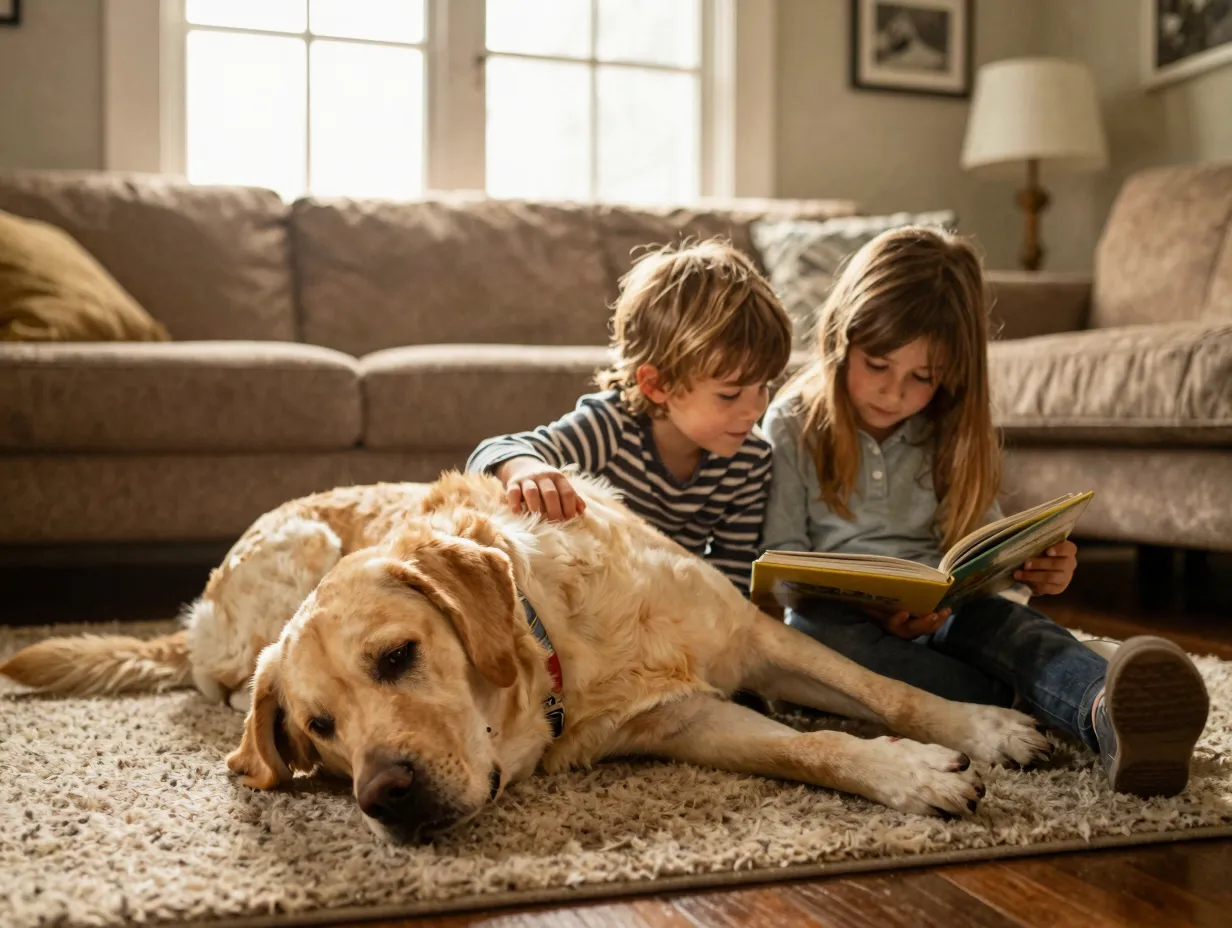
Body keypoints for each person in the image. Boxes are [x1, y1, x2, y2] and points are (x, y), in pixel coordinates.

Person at [761, 225, 1210, 798]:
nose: (893, 391)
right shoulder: (793, 422)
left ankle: (1106, 711)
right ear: (839, 338)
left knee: (1009, 626)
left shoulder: (950, 430)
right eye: (876, 363)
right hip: (843, 626)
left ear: (950, 375)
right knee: (820, 642)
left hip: (944, 613)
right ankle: (1045, 690)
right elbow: (779, 574)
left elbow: (980, 553)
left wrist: (1035, 568)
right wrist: (873, 609)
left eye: (921, 376)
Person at [467, 239, 792, 595]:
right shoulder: (610, 426)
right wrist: (525, 468)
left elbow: (732, 583)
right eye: (729, 394)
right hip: (594, 598)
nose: (755, 409)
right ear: (655, 385)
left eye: (764, 386)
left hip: (674, 610)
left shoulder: (750, 458)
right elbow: (492, 452)